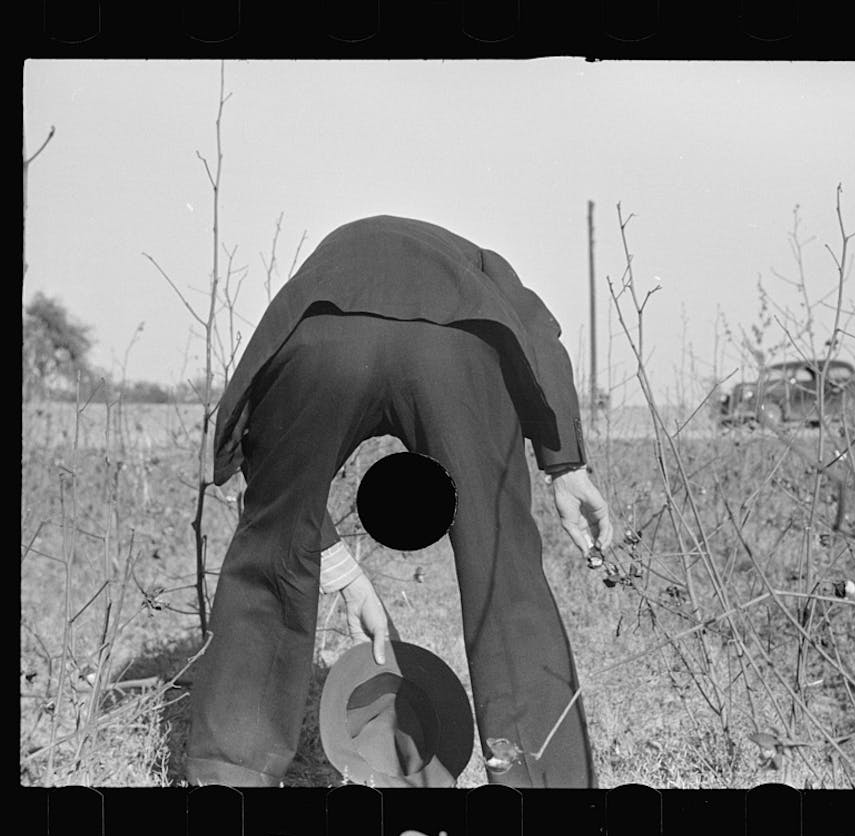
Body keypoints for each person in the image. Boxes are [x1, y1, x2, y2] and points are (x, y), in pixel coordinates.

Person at [185, 215, 612, 788]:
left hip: (325, 338)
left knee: (273, 542)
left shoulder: (331, 265)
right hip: (456, 348)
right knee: (501, 564)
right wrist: (566, 466)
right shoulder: (477, 264)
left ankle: (229, 773)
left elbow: (275, 481)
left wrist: (334, 566)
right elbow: (538, 334)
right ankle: (544, 783)